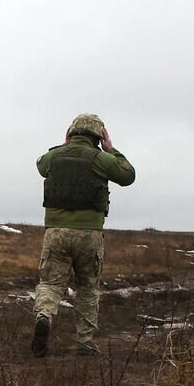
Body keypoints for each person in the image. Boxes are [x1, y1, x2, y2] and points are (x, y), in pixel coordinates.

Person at [31, 114, 135, 357]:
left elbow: (40, 165)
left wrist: (64, 146)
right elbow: (127, 176)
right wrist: (112, 149)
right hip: (89, 234)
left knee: (50, 283)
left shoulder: (54, 157)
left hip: (56, 232)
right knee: (87, 287)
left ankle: (44, 316)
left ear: (71, 133)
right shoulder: (101, 159)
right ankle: (85, 342)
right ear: (98, 136)